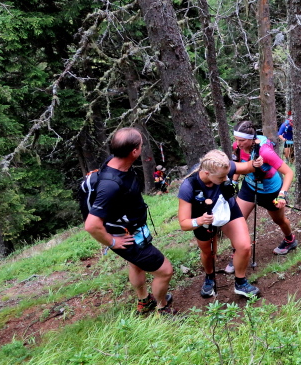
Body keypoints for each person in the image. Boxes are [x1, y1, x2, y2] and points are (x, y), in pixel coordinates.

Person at [84, 128, 175, 315]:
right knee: (165, 271)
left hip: (131, 228)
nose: (142, 147)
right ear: (134, 151)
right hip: (127, 236)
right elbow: (91, 225)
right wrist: (113, 242)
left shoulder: (114, 161)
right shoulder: (110, 185)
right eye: (141, 145)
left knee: (136, 264)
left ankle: (144, 301)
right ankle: (162, 307)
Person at [177, 150, 261, 299]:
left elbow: (248, 167)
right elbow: (183, 224)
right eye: (222, 177)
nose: (226, 179)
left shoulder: (224, 167)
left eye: (227, 175)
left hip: (226, 208)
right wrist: (200, 221)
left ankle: (240, 282)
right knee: (209, 253)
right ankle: (210, 277)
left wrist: (255, 163)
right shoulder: (188, 186)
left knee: (244, 246)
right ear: (207, 173)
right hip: (203, 217)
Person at [232, 120, 297, 261]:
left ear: (252, 139)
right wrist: (233, 182)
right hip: (249, 187)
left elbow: (289, 172)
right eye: (236, 139)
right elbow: (238, 164)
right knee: (237, 220)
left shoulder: (265, 152)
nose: (238, 143)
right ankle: (238, 253)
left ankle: (290, 240)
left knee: (279, 220)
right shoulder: (237, 146)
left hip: (270, 191)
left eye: (242, 140)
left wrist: (282, 195)